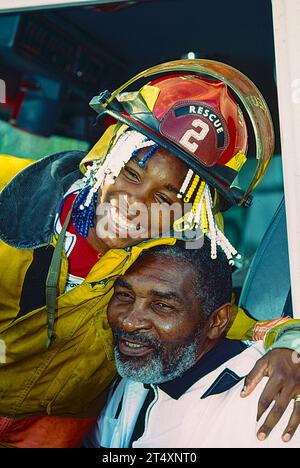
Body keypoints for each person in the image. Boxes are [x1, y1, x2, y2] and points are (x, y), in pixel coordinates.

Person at [0, 59, 299, 448]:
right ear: (106, 153)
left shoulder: (169, 253)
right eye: (131, 173)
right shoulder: (8, 188)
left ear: (190, 211)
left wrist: (291, 346)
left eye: (165, 198)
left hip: (59, 424)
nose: (135, 205)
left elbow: (218, 317)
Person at [84, 240, 300, 448]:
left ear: (217, 321)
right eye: (124, 295)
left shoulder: (271, 398)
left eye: (162, 305)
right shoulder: (135, 377)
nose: (129, 322)